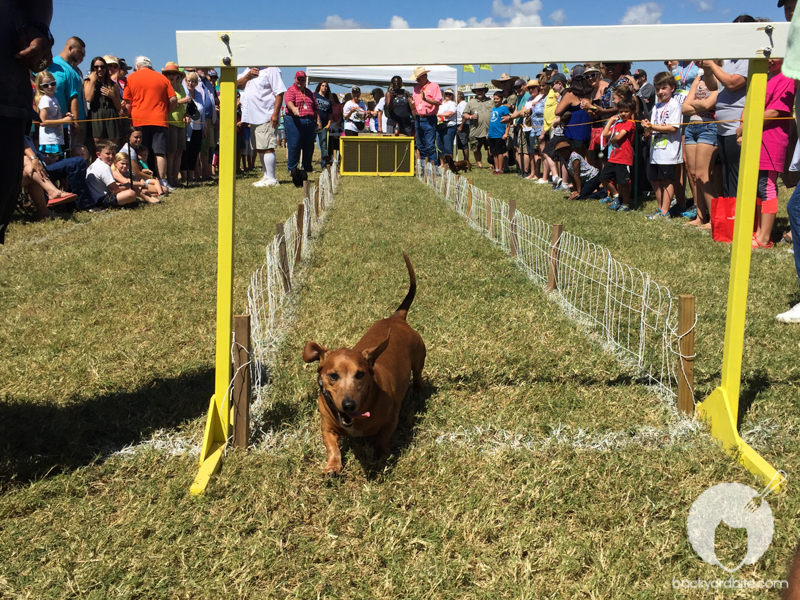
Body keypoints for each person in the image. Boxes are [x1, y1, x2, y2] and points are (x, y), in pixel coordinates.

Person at [747, 58, 795, 248]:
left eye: (775, 55)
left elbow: (776, 111)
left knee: (767, 186)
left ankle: (765, 237)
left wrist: (746, 125)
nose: (770, 60)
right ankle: (759, 232)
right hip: (756, 139)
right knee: (758, 187)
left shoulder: (786, 78)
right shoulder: (765, 77)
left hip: (772, 140)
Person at [122, 56, 177, 188]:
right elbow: (173, 100)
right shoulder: (162, 78)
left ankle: (144, 180)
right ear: (150, 66)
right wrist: (165, 111)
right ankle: (163, 181)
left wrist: (126, 115)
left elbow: (127, 103)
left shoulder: (130, 78)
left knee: (140, 151)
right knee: (160, 152)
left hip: (138, 119)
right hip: (159, 119)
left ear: (137, 66)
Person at [642, 72, 683, 219]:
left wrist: (652, 127)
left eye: (664, 88)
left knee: (666, 181)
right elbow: (652, 126)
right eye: (658, 88)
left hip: (669, 151)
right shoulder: (656, 106)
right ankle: (660, 209)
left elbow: (673, 127)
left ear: (672, 88)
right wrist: (646, 126)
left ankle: (665, 211)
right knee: (655, 180)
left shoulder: (674, 105)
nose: (660, 92)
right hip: (656, 149)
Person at [237, 66, 286, 187]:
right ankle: (266, 175)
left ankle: (272, 178)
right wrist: (248, 76)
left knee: (267, 147)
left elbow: (279, 92)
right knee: (260, 147)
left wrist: (275, 113)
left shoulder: (271, 69)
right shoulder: (247, 70)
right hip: (253, 118)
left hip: (266, 115)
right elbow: (237, 85)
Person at [682, 69, 719, 227]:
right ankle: (700, 217)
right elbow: (684, 107)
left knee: (704, 175)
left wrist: (696, 105)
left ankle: (714, 219)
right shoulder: (698, 78)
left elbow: (710, 104)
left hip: (709, 127)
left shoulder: (717, 78)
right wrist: (701, 106)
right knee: (695, 174)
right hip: (691, 128)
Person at [47, 36, 86, 149]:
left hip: (66, 122)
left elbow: (74, 96)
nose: (81, 56)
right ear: (70, 48)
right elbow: (72, 97)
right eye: (79, 52)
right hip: (51, 120)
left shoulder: (73, 71)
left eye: (83, 54)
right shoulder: (51, 64)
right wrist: (76, 122)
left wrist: (76, 122)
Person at [599, 98, 636, 212]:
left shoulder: (630, 123)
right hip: (613, 157)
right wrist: (610, 121)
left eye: (626, 111)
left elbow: (619, 137)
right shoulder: (617, 124)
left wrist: (613, 140)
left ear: (632, 112)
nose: (623, 114)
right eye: (621, 111)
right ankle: (616, 195)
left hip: (624, 157)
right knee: (603, 177)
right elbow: (605, 134)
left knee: (623, 182)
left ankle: (625, 203)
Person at [284, 70, 320, 182]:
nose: (300, 81)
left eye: (303, 79)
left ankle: (307, 167)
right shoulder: (291, 90)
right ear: (295, 79)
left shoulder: (309, 92)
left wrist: (318, 120)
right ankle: (292, 168)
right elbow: (288, 101)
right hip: (294, 120)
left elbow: (315, 108)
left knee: (309, 145)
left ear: (305, 81)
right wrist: (293, 108)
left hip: (309, 121)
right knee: (294, 145)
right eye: (298, 79)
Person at [84, 56, 122, 148]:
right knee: (97, 147)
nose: (99, 69)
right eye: (96, 67)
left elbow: (119, 107)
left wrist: (112, 96)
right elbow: (88, 98)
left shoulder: (113, 85)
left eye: (102, 66)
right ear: (92, 69)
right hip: (96, 115)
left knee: (112, 147)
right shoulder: (87, 82)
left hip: (111, 115)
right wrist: (93, 80)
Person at [85, 141, 137, 207]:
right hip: (100, 200)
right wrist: (128, 186)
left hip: (94, 198)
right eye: (108, 153)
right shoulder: (104, 167)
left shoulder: (94, 164)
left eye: (113, 154)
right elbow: (114, 189)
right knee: (131, 193)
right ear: (98, 155)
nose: (111, 156)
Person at [162, 63, 188, 189]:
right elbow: (165, 105)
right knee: (171, 152)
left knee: (179, 152)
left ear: (178, 75)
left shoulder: (181, 87)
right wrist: (180, 102)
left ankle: (175, 178)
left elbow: (185, 105)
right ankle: (170, 178)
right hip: (170, 121)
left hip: (181, 123)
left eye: (173, 73)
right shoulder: (165, 87)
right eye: (169, 74)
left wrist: (186, 115)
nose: (171, 76)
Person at [556, 67, 593, 157]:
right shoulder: (592, 92)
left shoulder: (570, 95)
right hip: (587, 129)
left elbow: (557, 111)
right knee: (586, 158)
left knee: (574, 159)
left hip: (573, 131)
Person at [35, 71, 72, 159]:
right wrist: (63, 121)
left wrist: (64, 116)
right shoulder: (45, 99)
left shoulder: (53, 98)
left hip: (55, 137)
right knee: (52, 164)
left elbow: (53, 117)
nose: (50, 87)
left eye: (52, 83)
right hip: (49, 140)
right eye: (45, 85)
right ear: (41, 87)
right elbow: (42, 122)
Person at [412, 66, 442, 165]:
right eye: (416, 78)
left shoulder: (434, 86)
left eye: (418, 78)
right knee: (420, 145)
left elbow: (438, 102)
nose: (417, 80)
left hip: (429, 119)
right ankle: (425, 168)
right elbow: (415, 104)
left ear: (424, 76)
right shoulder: (416, 88)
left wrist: (426, 99)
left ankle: (434, 167)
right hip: (418, 118)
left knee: (429, 145)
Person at [181, 71, 205, 185]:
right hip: (187, 127)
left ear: (196, 83)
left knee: (195, 152)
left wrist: (203, 127)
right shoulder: (184, 93)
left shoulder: (199, 94)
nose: (190, 83)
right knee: (186, 151)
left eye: (193, 81)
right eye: (188, 81)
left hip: (198, 127)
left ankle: (191, 176)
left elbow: (202, 111)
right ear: (185, 81)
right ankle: (184, 176)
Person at [462, 83, 492, 168]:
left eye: (481, 90)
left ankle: (491, 164)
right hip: (476, 130)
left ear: (484, 91)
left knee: (490, 148)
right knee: (476, 148)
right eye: (478, 90)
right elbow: (464, 115)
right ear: (475, 92)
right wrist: (471, 116)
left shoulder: (490, 101)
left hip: (488, 129)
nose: (480, 92)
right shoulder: (471, 102)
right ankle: (479, 164)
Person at [488, 91, 510, 175]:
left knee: (500, 152)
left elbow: (508, 121)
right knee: (494, 152)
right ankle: (496, 168)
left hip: (500, 133)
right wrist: (488, 133)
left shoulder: (504, 108)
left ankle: (501, 168)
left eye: (497, 99)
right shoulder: (494, 108)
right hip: (492, 133)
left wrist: (506, 133)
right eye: (494, 99)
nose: (495, 100)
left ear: (501, 99)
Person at [436, 89, 458, 164]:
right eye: (446, 94)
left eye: (449, 94)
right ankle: (442, 163)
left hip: (449, 126)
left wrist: (439, 115)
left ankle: (449, 164)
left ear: (452, 95)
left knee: (448, 146)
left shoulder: (452, 104)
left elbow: (450, 114)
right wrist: (440, 116)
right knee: (439, 145)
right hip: (440, 125)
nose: (448, 96)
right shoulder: (441, 103)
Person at [314, 81, 333, 166]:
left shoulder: (328, 100)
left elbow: (330, 114)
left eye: (326, 86)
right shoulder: (314, 95)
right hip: (313, 123)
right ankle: (306, 164)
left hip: (324, 126)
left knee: (324, 145)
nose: (324, 87)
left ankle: (324, 164)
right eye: (323, 85)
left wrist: (329, 124)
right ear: (319, 86)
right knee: (309, 144)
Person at [455, 91, 468, 161]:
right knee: (462, 143)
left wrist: (461, 125)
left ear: (458, 97)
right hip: (461, 124)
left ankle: (466, 160)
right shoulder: (460, 104)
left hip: (462, 124)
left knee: (463, 142)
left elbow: (464, 115)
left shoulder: (462, 104)